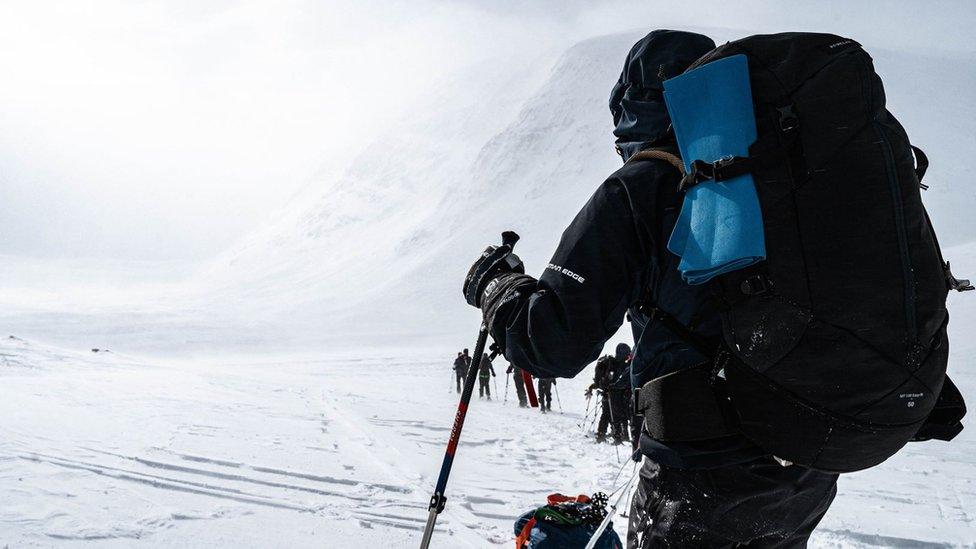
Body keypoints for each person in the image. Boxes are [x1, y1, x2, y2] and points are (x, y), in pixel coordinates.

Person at [462, 30, 839, 547]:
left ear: (633, 108)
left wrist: (497, 287)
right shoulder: (789, 177)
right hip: (808, 463)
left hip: (701, 469)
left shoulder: (647, 184)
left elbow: (552, 341)